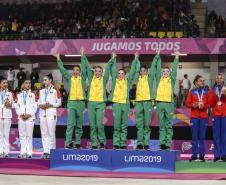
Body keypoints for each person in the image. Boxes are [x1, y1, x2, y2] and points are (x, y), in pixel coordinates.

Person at [54, 48, 86, 149]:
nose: (75, 71)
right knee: (70, 124)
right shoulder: (70, 78)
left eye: (77, 70)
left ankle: (77, 143)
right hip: (71, 103)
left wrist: (82, 55)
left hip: (81, 103)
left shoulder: (83, 79)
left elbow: (85, 67)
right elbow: (63, 70)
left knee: (79, 125)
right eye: (74, 70)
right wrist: (58, 58)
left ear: (80, 72)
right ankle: (68, 143)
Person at [83, 52, 113, 149]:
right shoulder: (91, 79)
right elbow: (87, 67)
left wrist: (112, 58)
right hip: (91, 103)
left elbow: (108, 69)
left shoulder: (104, 80)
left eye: (99, 71)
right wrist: (83, 56)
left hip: (101, 104)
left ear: (101, 72)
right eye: (95, 71)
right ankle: (94, 144)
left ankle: (102, 142)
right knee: (92, 125)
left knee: (99, 124)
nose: (97, 72)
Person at [108, 52, 138, 149]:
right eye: (119, 73)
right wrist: (113, 58)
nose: (120, 75)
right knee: (117, 125)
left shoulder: (128, 82)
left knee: (124, 125)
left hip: (125, 105)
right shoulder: (114, 81)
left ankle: (123, 143)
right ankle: (116, 143)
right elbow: (112, 69)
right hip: (116, 104)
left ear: (125, 75)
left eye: (122, 74)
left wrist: (135, 58)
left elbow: (133, 71)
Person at [134, 50, 160, 150]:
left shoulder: (150, 78)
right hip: (139, 102)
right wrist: (136, 58)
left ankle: (147, 143)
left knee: (146, 124)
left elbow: (153, 67)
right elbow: (135, 69)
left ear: (147, 71)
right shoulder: (137, 78)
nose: (142, 72)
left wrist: (157, 56)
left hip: (148, 102)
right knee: (139, 124)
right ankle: (139, 143)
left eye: (144, 71)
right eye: (141, 71)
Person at [155, 51, 180, 150]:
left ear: (170, 73)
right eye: (164, 71)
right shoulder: (159, 79)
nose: (165, 73)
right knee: (161, 124)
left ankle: (168, 143)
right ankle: (162, 143)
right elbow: (156, 68)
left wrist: (177, 57)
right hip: (160, 103)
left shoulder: (172, 79)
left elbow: (174, 69)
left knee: (169, 124)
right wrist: (157, 55)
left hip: (169, 103)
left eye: (167, 71)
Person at [186, 75, 211, 162]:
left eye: (203, 81)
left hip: (203, 117)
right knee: (194, 137)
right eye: (200, 81)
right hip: (194, 117)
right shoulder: (191, 92)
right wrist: (195, 104)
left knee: (202, 137)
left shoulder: (207, 92)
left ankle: (202, 155)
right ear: (196, 82)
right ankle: (194, 155)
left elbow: (209, 104)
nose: (202, 82)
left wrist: (204, 106)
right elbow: (187, 104)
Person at [38, 74, 61, 159]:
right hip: (42, 113)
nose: (44, 82)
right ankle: (46, 152)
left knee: (51, 133)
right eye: (43, 80)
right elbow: (38, 102)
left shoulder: (55, 90)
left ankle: (52, 152)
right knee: (44, 134)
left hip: (51, 113)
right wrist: (41, 105)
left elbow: (59, 103)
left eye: (45, 80)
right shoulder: (41, 91)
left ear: (50, 80)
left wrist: (51, 105)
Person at [15, 79, 37, 158]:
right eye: (26, 83)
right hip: (21, 118)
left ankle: (29, 153)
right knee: (22, 136)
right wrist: (20, 114)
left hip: (30, 118)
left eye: (29, 83)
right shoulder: (19, 95)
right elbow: (17, 107)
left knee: (29, 135)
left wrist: (29, 114)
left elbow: (35, 107)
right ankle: (22, 152)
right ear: (23, 85)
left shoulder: (33, 94)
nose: (28, 84)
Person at [211, 74, 226, 162]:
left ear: (223, 79)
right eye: (218, 78)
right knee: (216, 136)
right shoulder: (212, 90)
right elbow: (211, 104)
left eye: (221, 78)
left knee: (224, 136)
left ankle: (224, 155)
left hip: (224, 115)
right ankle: (216, 155)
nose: (219, 79)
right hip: (216, 115)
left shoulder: (225, 89)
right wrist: (215, 95)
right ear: (216, 80)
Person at [0, 78, 14, 158]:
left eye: (6, 83)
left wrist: (9, 104)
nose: (6, 84)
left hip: (7, 116)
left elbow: (12, 105)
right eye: (4, 83)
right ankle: (0, 151)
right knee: (0, 134)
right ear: (0, 84)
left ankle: (6, 152)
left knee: (6, 134)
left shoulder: (10, 94)